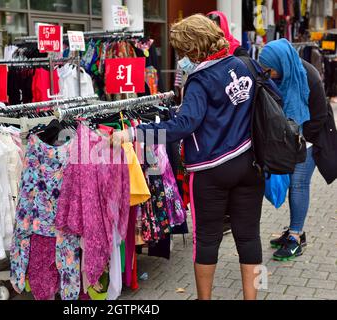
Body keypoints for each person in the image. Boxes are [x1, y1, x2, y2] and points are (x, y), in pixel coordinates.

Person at [114, 14, 275, 300]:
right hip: (250, 165)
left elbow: (183, 126)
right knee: (250, 237)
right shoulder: (244, 64)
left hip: (212, 171)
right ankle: (256, 296)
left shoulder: (199, 80)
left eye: (183, 51)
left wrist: (135, 133)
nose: (182, 58)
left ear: (193, 48)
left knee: (207, 240)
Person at [259, 39, 331, 261]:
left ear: (279, 64)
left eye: (269, 70)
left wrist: (299, 139)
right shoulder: (279, 75)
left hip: (308, 139)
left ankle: (295, 237)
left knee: (299, 183)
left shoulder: (309, 76)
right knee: (292, 182)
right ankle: (295, 230)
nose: (267, 74)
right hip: (290, 138)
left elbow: (318, 117)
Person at [206, 10, 249, 235]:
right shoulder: (203, 52)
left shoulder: (238, 51)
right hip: (214, 118)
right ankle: (222, 216)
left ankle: (232, 215)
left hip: (236, 117)